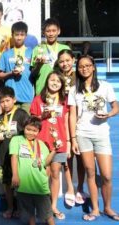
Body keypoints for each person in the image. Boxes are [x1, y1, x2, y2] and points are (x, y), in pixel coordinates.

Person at [68, 55, 119, 221]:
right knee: (90, 172)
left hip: (101, 134)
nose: (84, 69)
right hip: (83, 134)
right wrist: (74, 138)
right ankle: (96, 209)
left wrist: (109, 114)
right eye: (81, 66)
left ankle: (108, 207)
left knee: (107, 175)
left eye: (88, 65)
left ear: (94, 67)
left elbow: (115, 106)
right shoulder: (74, 89)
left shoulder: (104, 86)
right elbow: (72, 115)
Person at [30, 71, 73, 220]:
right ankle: (42, 206)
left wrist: (68, 142)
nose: (55, 83)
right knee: (43, 175)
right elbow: (33, 121)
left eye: (58, 81)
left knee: (55, 174)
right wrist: (43, 115)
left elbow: (67, 121)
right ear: (47, 81)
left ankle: (53, 205)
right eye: (52, 80)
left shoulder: (65, 100)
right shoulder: (38, 99)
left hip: (59, 142)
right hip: (42, 142)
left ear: (62, 85)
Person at [10, 116, 56, 225]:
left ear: (38, 131)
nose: (31, 133)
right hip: (24, 185)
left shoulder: (41, 144)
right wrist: (15, 175)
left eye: (34, 131)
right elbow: (14, 157)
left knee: (48, 216)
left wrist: (54, 151)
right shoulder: (16, 140)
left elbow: (45, 162)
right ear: (24, 128)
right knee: (30, 216)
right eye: (28, 129)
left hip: (40, 186)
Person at [55, 49, 87, 204]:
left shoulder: (81, 76)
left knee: (80, 155)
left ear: (73, 60)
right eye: (61, 61)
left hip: (79, 118)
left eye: (67, 60)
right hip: (63, 118)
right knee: (67, 155)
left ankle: (80, 187)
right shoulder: (56, 77)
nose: (65, 63)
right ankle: (69, 187)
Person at [0, 86, 29, 219]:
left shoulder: (21, 114)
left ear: (14, 100)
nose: (5, 104)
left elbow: (28, 132)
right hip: (4, 155)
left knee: (21, 184)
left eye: (8, 100)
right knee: (7, 185)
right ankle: (10, 207)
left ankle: (21, 208)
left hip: (19, 156)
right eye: (2, 102)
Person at [0, 21, 34, 113]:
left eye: (22, 35)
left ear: (26, 35)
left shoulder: (32, 52)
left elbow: (35, 73)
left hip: (27, 96)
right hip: (10, 97)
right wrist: (11, 73)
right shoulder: (6, 54)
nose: (19, 37)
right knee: (10, 124)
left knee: (26, 124)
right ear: (12, 35)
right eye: (16, 35)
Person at [30, 18, 70, 95]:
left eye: (54, 31)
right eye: (48, 31)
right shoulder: (37, 49)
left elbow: (69, 72)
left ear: (59, 31)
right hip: (42, 91)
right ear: (44, 32)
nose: (51, 34)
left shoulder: (65, 48)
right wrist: (39, 65)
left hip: (61, 91)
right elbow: (33, 75)